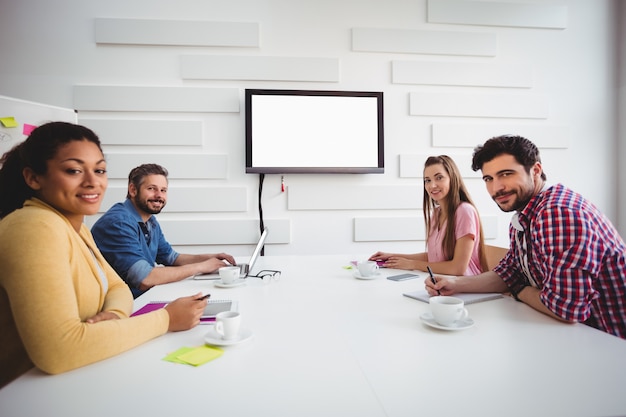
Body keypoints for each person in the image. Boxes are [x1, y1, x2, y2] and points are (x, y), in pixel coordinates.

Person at [0, 122, 207, 387]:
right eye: (74, 170)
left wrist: (114, 315)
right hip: (23, 391)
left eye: (99, 170)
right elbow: (59, 351)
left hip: (73, 378)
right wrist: (167, 318)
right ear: (33, 178)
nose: (92, 181)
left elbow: (118, 288)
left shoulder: (75, 227)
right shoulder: (33, 227)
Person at [425, 135, 626, 339]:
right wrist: (455, 284)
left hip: (610, 342)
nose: (496, 188)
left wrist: (519, 290)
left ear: (536, 170)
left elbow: (566, 309)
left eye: (506, 174)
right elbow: (509, 273)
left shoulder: (558, 212)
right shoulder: (524, 215)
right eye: (489, 179)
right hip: (575, 336)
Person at [91, 163, 236, 298]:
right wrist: (201, 267)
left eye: (163, 190)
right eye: (151, 189)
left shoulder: (149, 221)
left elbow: (171, 258)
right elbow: (144, 278)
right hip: (123, 309)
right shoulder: (118, 223)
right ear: (133, 190)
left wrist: (210, 258)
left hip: (144, 298)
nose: (159, 195)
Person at [369, 155, 487, 275]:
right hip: (442, 283)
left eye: (439, 178)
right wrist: (393, 257)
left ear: (452, 178)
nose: (432, 185)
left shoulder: (465, 211)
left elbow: (457, 268)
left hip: (466, 287)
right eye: (427, 180)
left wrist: (412, 264)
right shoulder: (436, 214)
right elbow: (434, 258)